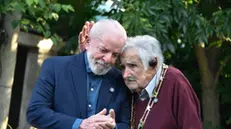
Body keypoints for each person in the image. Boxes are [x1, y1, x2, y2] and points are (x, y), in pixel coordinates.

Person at [26, 19, 131, 129]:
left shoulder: (120, 80)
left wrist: (113, 127)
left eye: (115, 55)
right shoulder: (55, 67)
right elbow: (35, 113)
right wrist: (79, 124)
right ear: (88, 42)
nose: (108, 59)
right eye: (103, 50)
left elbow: (126, 125)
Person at [119, 35, 203, 129]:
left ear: (153, 64)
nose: (125, 75)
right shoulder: (132, 89)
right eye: (123, 67)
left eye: (132, 66)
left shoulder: (175, 82)